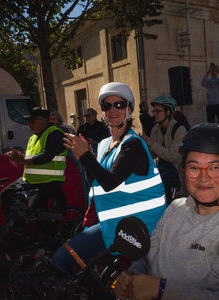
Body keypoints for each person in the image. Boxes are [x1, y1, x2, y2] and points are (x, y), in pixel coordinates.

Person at [113, 123, 219, 300]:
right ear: (185, 172)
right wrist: (133, 276)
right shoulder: (175, 209)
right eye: (194, 167)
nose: (203, 178)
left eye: (214, 168)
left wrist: (161, 289)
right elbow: (148, 257)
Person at [54, 82, 166, 274]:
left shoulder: (133, 145)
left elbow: (109, 183)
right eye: (107, 106)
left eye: (119, 105)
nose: (113, 110)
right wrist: (86, 159)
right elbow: (95, 182)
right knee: (83, 266)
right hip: (113, 225)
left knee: (63, 259)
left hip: (137, 228)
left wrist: (85, 157)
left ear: (129, 109)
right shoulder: (105, 144)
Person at [1, 107, 67, 232]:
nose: (29, 124)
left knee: (36, 212)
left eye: (32, 121)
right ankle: (16, 228)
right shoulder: (33, 137)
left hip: (49, 182)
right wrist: (18, 155)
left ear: (45, 121)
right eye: (28, 121)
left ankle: (53, 237)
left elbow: (46, 157)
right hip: (30, 181)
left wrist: (22, 159)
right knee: (6, 194)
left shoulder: (55, 133)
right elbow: (30, 155)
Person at [140, 95, 187, 203]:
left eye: (157, 111)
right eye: (154, 111)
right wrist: (143, 146)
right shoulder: (156, 129)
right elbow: (152, 155)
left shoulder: (179, 130)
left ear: (168, 112)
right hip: (162, 169)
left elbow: (174, 157)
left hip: (175, 174)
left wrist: (152, 144)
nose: (154, 114)